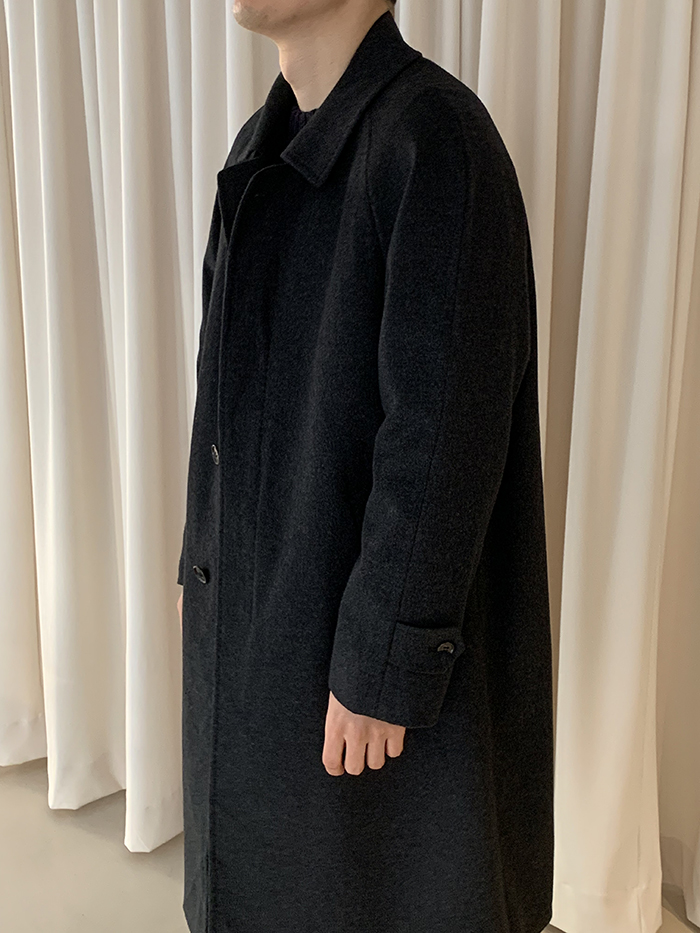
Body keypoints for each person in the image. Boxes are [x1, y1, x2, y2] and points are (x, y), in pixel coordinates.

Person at [177, 2, 554, 931]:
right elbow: (221, 392)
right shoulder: (258, 146)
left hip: (367, 644)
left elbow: (445, 429)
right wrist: (201, 556)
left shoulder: (437, 141)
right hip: (269, 612)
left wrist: (389, 653)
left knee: (383, 881)